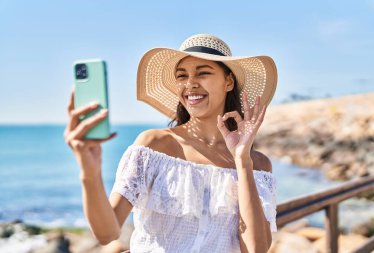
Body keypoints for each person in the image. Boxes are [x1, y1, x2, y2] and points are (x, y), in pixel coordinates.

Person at [64, 34, 278, 253]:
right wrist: (89, 174)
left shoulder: (257, 165)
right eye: (181, 76)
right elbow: (106, 233)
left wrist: (242, 162)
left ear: (228, 81)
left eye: (203, 73)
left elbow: (255, 249)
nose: (190, 83)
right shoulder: (154, 146)